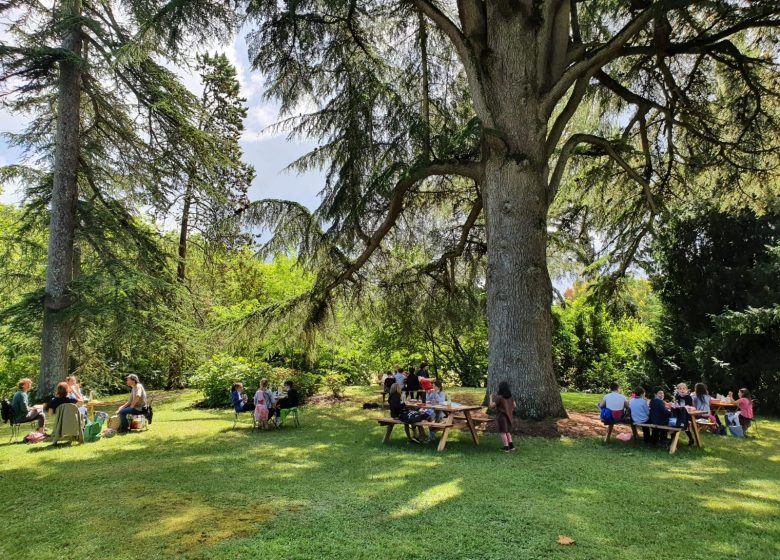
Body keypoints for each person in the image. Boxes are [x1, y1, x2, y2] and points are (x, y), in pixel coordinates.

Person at [490, 381, 515, 452]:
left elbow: (492, 405)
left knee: (503, 432)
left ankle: (506, 447)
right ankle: (511, 445)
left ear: (500, 388)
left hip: (502, 417)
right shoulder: (511, 397)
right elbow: (514, 405)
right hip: (509, 416)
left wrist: (491, 398)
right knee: (508, 431)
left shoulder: (499, 398)